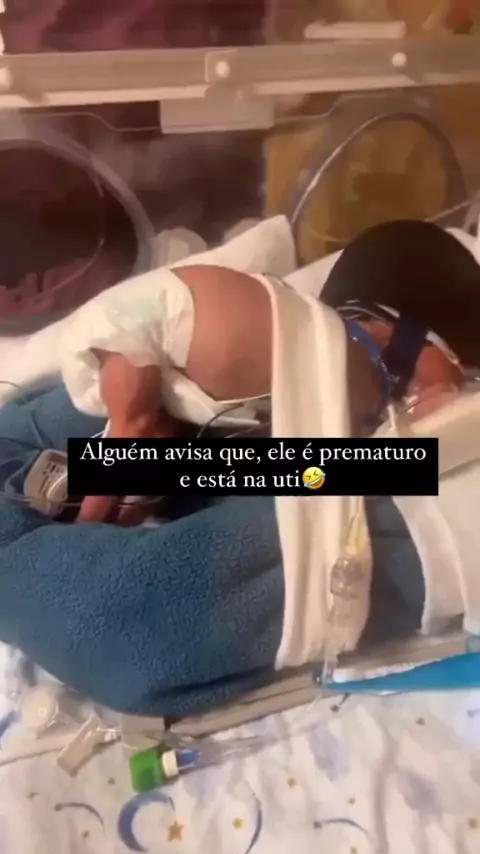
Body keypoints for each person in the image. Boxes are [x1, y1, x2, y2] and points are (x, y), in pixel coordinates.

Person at [0, 219, 478, 718]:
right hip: (284, 441)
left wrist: (91, 516)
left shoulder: (408, 352)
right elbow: (133, 440)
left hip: (348, 474)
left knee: (123, 614)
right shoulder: (315, 335)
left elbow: (128, 447)